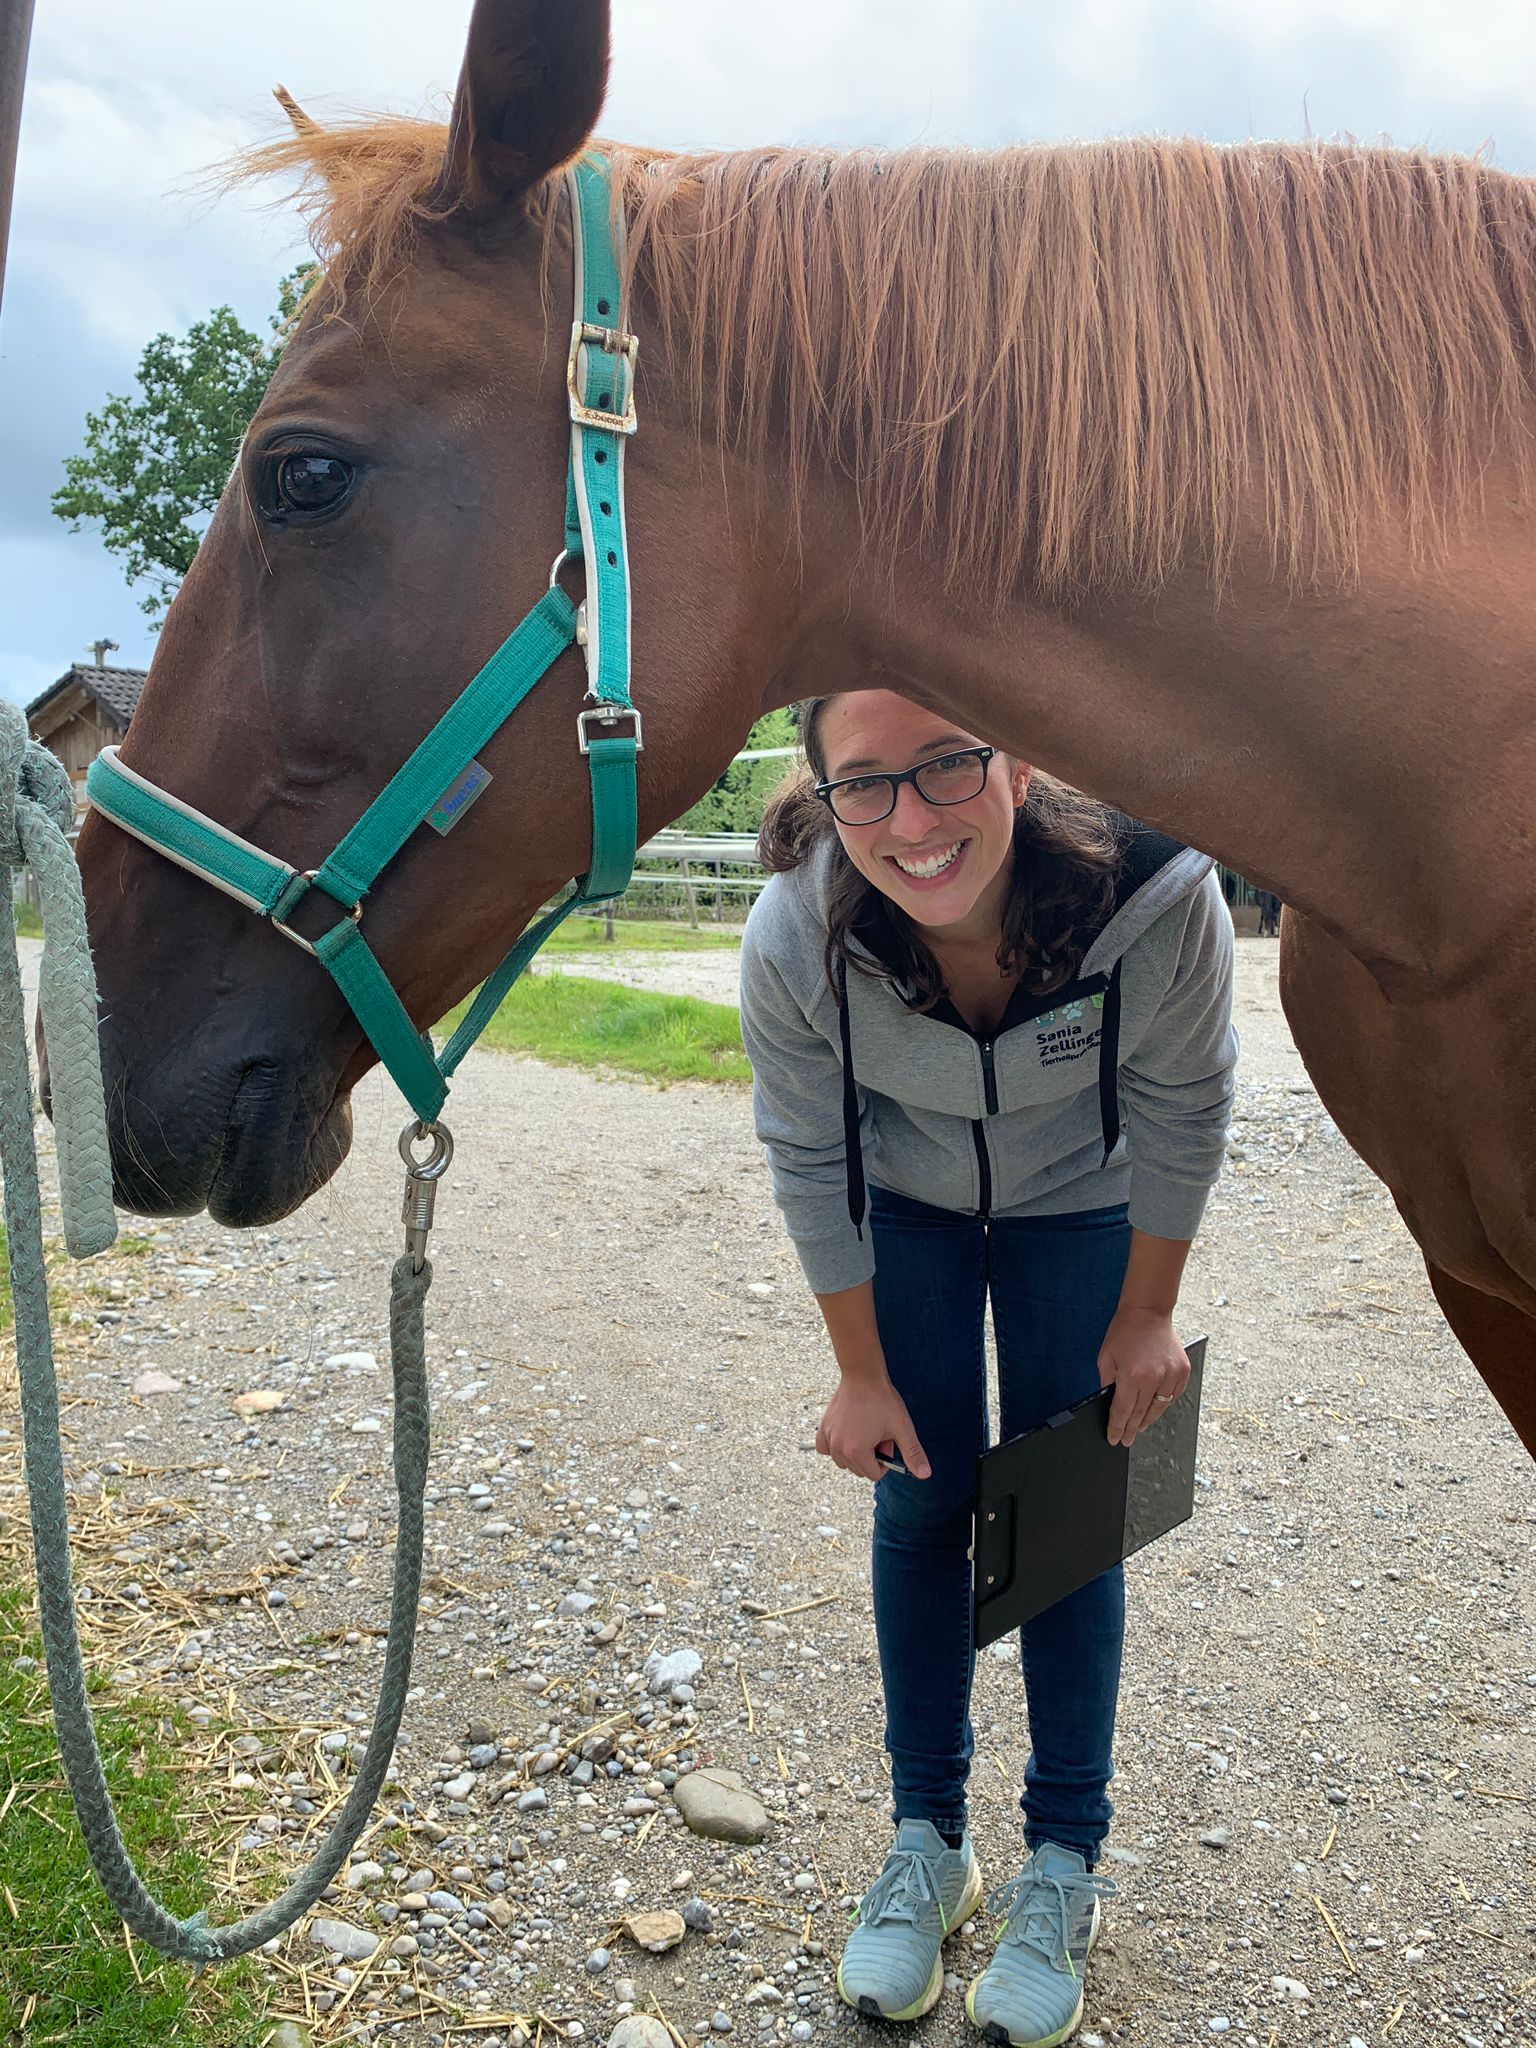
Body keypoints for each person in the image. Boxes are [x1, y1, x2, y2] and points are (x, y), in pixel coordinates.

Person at [738, 692, 1237, 2048]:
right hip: (903, 1205)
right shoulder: (796, 924)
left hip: (1086, 1202)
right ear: (825, 794)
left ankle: (1064, 1860)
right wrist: (858, 1372)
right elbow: (803, 1146)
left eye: (950, 763)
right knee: (927, 1502)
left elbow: (1191, 1104)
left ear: (1017, 753)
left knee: (1070, 1528)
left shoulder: (1159, 895)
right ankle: (930, 1843)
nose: (914, 818)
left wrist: (1149, 1317)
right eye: (866, 783)